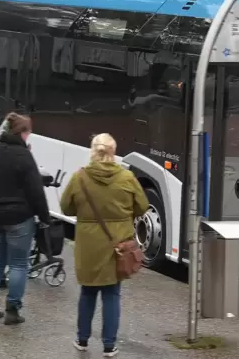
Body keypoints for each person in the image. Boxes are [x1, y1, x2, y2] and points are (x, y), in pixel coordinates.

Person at [60, 133, 150, 357]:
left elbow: (66, 208)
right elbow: (142, 206)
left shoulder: (79, 178)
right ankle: (109, 346)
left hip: (88, 246)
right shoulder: (127, 178)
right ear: (113, 152)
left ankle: (82, 339)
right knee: (112, 294)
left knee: (88, 293)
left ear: (93, 151)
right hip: (116, 246)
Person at [0, 112, 50, 325]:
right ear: (21, 133)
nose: (29, 137)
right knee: (18, 264)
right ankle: (12, 310)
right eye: (28, 132)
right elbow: (36, 191)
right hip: (19, 218)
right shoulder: (24, 156)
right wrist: (44, 217)